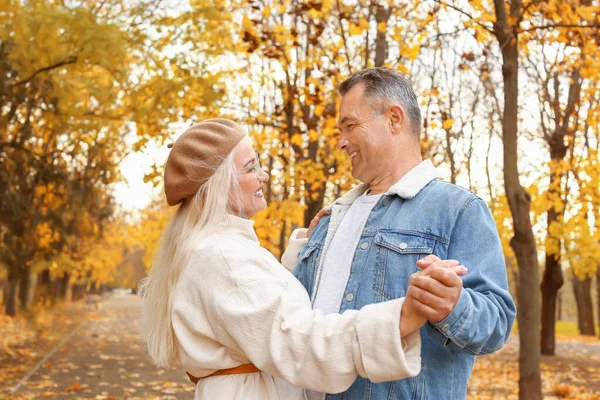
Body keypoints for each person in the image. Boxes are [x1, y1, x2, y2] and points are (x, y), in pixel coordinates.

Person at [138, 118, 467, 400]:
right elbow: (299, 343)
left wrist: (303, 253)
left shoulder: (218, 249)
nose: (264, 175)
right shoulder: (221, 257)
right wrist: (403, 316)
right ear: (219, 184)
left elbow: (253, 313)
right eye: (251, 167)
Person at [289, 67, 517, 400]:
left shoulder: (458, 209)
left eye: (350, 125)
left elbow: (496, 324)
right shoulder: (329, 219)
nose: (341, 142)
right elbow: (292, 318)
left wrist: (454, 306)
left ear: (395, 119)